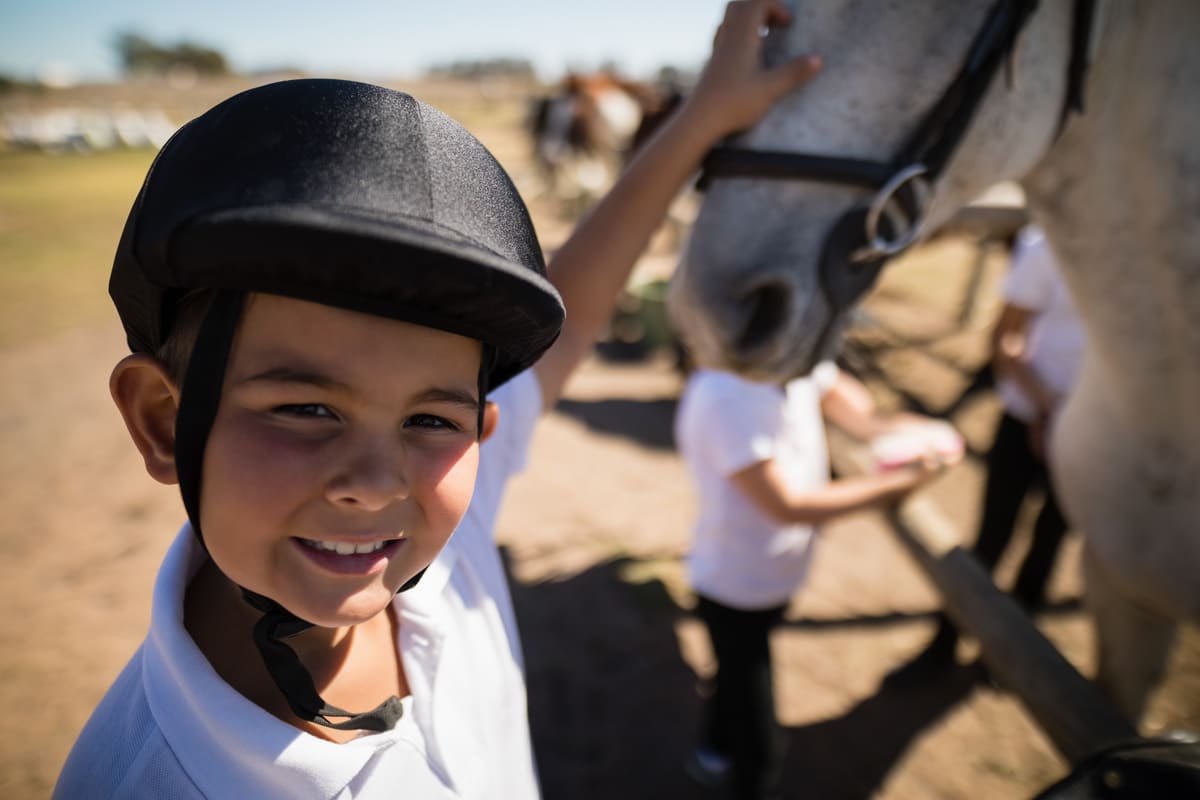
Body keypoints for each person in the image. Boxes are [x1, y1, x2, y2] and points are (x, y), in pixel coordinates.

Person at [52, 2, 822, 797]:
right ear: (164, 421)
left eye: (430, 419)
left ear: (478, 436)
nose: (379, 481)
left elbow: (582, 300)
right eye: (307, 409)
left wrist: (701, 118)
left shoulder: (448, 530)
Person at [676, 361, 963, 800]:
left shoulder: (793, 362)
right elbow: (790, 505)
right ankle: (747, 778)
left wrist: (926, 432)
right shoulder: (725, 398)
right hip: (733, 586)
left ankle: (713, 749)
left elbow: (862, 417)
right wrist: (902, 482)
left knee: (735, 669)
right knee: (759, 727)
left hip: (775, 576)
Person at [896, 224, 1087, 676]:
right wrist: (1046, 408)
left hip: (1088, 435)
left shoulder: (1150, 254)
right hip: (1031, 418)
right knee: (993, 534)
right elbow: (1005, 340)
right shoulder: (1050, 245)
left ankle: (1015, 658)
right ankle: (945, 644)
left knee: (1050, 542)